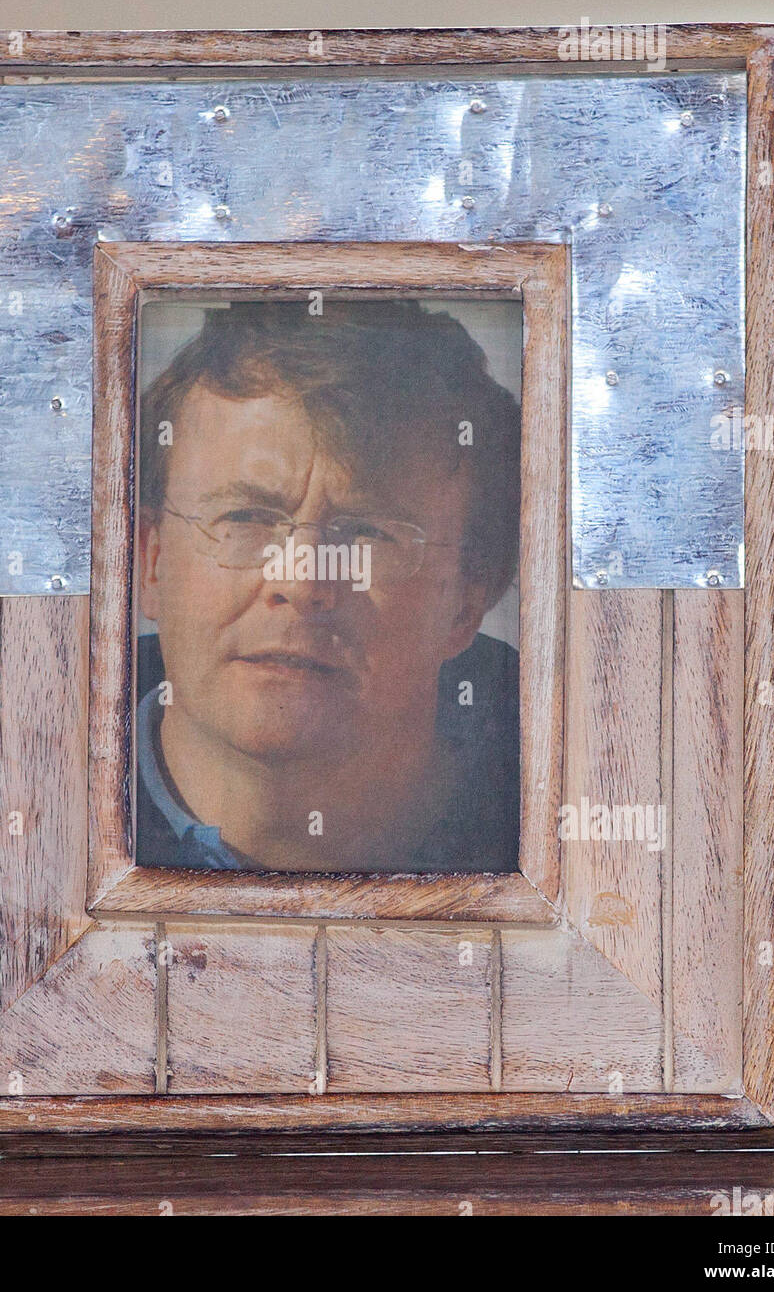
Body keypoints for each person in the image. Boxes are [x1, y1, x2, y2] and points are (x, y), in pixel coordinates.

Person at [134, 298, 520, 873]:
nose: (302, 579)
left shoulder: (567, 806)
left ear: (467, 599)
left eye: (368, 532)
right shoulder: (18, 791)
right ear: (151, 561)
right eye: (243, 518)